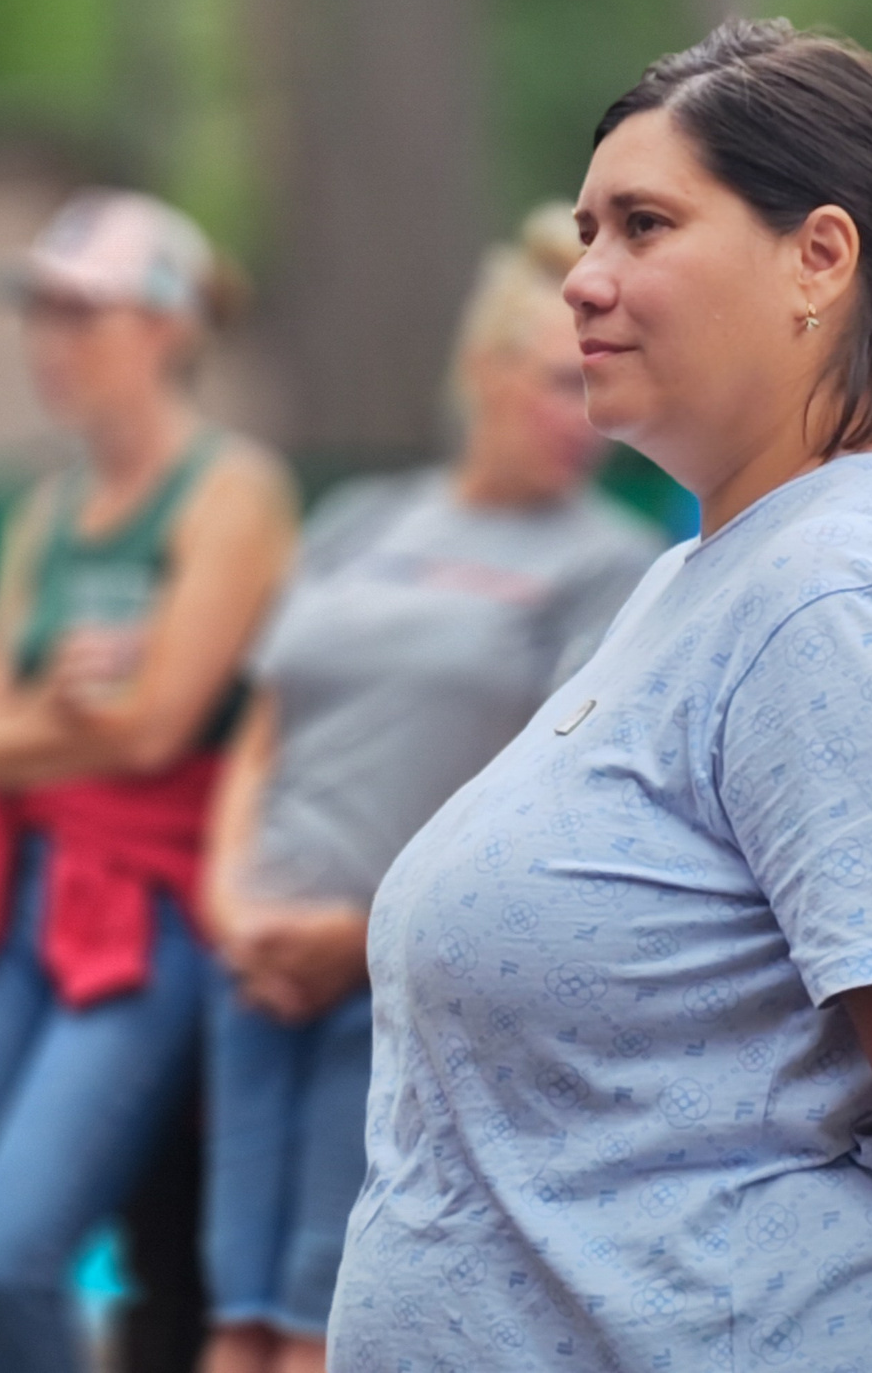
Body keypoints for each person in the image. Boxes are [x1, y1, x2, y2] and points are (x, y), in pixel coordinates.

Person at [330, 19, 872, 1373]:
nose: (585, 281)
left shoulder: (854, 592)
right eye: (587, 230)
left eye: (643, 226)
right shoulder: (718, 572)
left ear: (819, 257)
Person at [0, 190, 298, 1373]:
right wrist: (57, 715)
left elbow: (156, 734)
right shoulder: (43, 511)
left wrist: (27, 725)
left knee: (6, 1257)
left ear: (167, 328)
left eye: (80, 314)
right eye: (41, 313)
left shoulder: (231, 494)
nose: (50, 343)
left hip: (147, 908)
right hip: (17, 890)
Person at [198, 205, 659, 1373]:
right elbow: (260, 727)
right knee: (234, 1302)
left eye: (593, 382)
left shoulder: (606, 560)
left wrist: (358, 938)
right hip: (253, 957)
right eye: (557, 380)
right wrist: (223, 901)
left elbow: (544, 790)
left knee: (317, 1308)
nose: (581, 418)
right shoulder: (359, 520)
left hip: (399, 975)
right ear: (485, 371)